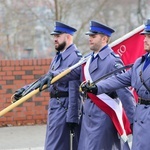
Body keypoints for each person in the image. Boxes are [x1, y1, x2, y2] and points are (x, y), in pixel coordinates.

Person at [80, 18, 150, 150]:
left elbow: (125, 93)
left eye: (149, 36)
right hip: (141, 117)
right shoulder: (139, 63)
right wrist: (96, 87)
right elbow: (120, 79)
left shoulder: (113, 61)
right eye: (145, 36)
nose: (144, 40)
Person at [14, 21, 82, 150]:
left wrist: (73, 117)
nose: (55, 39)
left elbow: (74, 90)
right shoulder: (58, 57)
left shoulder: (74, 58)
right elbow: (45, 80)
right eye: (54, 37)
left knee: (56, 146)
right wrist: (24, 91)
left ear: (68, 37)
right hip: (55, 107)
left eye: (58, 36)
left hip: (65, 108)